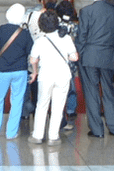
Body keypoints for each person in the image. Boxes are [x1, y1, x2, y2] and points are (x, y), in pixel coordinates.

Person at [76, 0, 114, 138]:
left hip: (89, 56)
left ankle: (97, 130)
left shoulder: (86, 11)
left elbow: (81, 36)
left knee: (92, 93)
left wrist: (81, 54)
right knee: (109, 92)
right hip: (108, 56)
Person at [28, 10, 79, 146]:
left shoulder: (40, 40)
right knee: (58, 106)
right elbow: (74, 57)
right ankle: (53, 136)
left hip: (46, 75)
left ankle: (38, 135)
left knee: (42, 105)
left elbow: (33, 59)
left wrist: (35, 69)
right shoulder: (66, 38)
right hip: (63, 75)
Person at [0, 3, 33, 140]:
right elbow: (31, 53)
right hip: (20, 71)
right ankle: (11, 132)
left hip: (2, 70)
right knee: (17, 101)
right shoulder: (25, 33)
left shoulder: (0, 30)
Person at [53, 0, 80, 132]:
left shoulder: (54, 25)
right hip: (70, 61)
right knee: (71, 87)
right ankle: (70, 109)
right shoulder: (75, 26)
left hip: (57, 60)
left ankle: (59, 109)